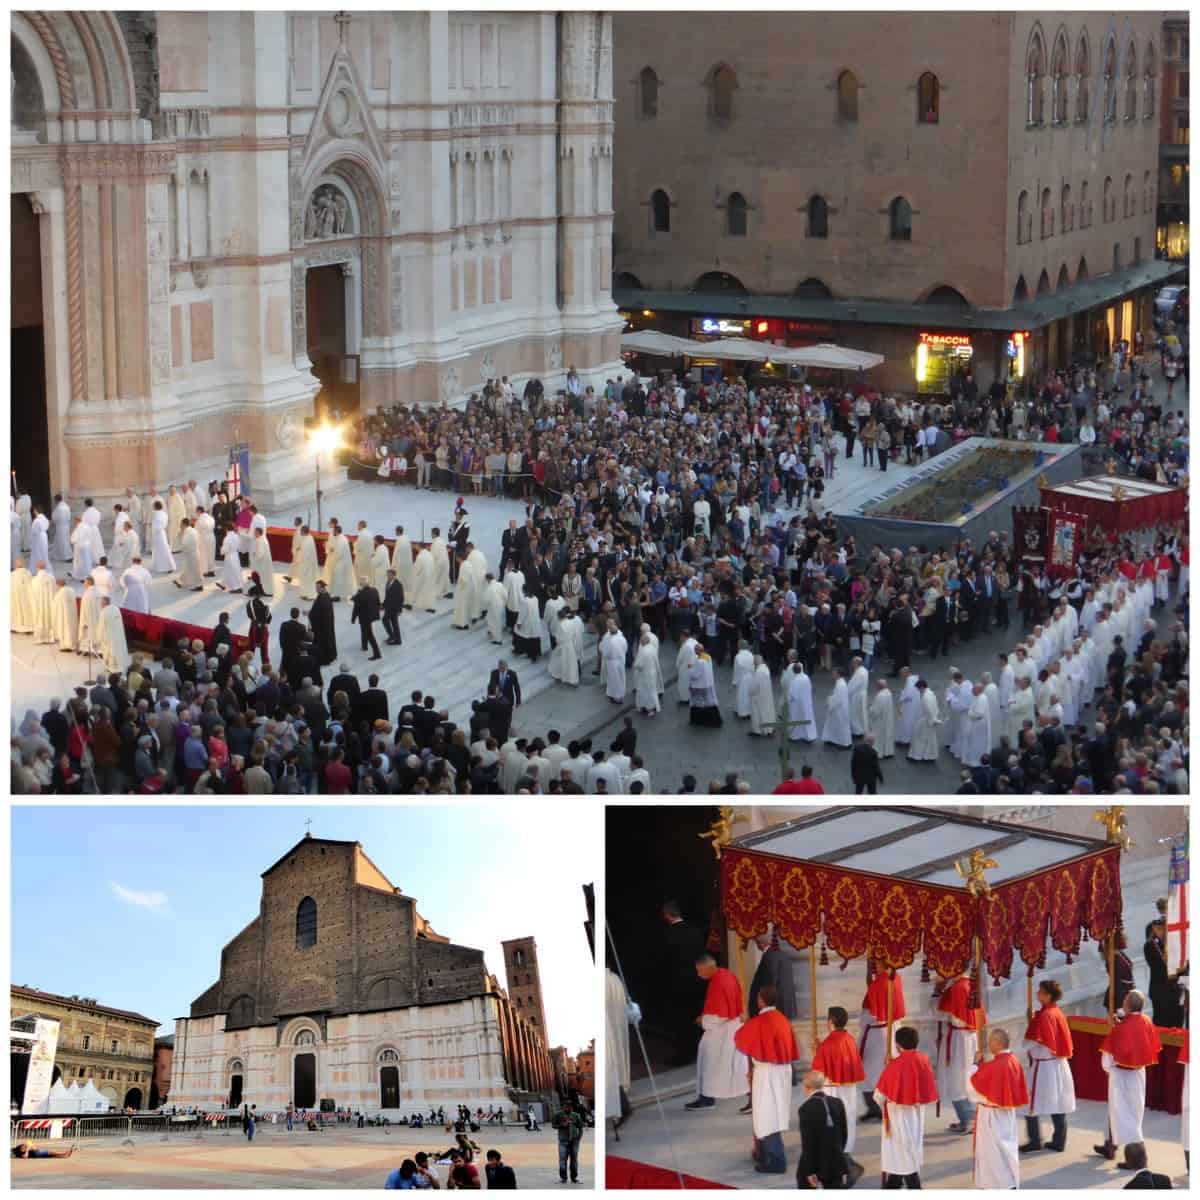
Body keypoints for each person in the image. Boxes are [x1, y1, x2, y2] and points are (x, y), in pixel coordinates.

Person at [734, 983, 800, 1174]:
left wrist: (746, 1023)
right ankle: (765, 1153)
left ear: (761, 1000)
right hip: (782, 1072)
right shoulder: (782, 1019)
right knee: (773, 1113)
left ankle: (776, 1161)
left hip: (767, 1073)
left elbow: (740, 1038)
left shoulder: (760, 1022)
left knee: (768, 1114)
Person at [1096, 990, 1162, 1167]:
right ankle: (1131, 1157)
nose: (1122, 1001)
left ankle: (1137, 1160)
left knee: (1124, 1117)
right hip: (1139, 1074)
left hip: (1121, 1077)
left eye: (1124, 999)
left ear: (1128, 1005)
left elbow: (1108, 1059)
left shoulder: (1122, 1028)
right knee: (1134, 1114)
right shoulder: (1147, 1021)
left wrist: (1115, 1028)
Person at [873, 1025, 937, 1189]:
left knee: (902, 1154)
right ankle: (894, 1183)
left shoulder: (895, 1066)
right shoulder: (923, 1059)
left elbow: (878, 1096)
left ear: (898, 1045)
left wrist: (889, 1068)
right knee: (906, 1152)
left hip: (897, 1117)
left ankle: (908, 1185)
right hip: (916, 1114)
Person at [966, 1026, 1029, 1189]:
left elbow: (972, 1087)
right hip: (1006, 1116)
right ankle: (1009, 1183)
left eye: (990, 1041)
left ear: (997, 1042)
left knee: (993, 1157)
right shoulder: (1013, 1060)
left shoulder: (995, 1066)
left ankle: (999, 1186)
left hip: (991, 1118)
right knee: (1006, 1152)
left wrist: (974, 1064)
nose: (988, 1044)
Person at [685, 952, 748, 1110]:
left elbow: (717, 1016)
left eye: (700, 971)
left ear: (709, 967)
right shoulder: (727, 975)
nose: (699, 975)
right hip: (731, 1028)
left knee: (709, 1064)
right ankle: (747, 1094)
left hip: (721, 1033)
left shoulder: (718, 983)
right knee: (733, 1066)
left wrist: (702, 1020)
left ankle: (706, 1099)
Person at [1020, 977, 1075, 1153]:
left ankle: (1035, 1140)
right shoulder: (1056, 1011)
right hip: (1059, 1064)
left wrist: (1032, 1023)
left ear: (1047, 995)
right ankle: (1059, 1140)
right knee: (1057, 1102)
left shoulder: (1044, 1016)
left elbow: (1029, 1044)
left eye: (1040, 991)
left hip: (1044, 1067)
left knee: (1030, 1101)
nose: (1036, 993)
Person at [812, 1006, 866, 1164]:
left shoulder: (828, 1044)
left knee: (833, 1120)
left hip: (832, 1089)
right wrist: (820, 1047)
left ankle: (836, 1155)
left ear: (830, 1022)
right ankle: (847, 1151)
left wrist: (818, 1050)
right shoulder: (849, 1039)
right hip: (848, 1088)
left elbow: (818, 1070)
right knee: (848, 1116)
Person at [936, 969, 984, 1133]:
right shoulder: (971, 984)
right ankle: (967, 1118)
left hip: (959, 1039)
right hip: (968, 1037)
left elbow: (943, 1013)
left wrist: (938, 990)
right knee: (965, 1077)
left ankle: (968, 1119)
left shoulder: (957, 988)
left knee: (957, 1079)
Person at [860, 964, 904, 1121]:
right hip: (889, 1030)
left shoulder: (880, 983)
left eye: (876, 964)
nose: (874, 967)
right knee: (876, 1072)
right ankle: (875, 1108)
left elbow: (870, 1014)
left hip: (877, 1034)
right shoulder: (895, 977)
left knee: (871, 1073)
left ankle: (880, 1107)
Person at [796, 1068, 850, 1189]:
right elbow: (844, 1133)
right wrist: (839, 1154)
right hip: (836, 1159)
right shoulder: (837, 1102)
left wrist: (809, 1171)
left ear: (806, 1087)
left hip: (816, 1161)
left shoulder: (805, 1108)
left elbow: (807, 1142)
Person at [1144, 917, 1185, 1028]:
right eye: (1161, 929)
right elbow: (1164, 966)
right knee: (1163, 1024)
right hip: (1162, 993)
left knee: (1177, 1024)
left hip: (1174, 992)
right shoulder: (1151, 946)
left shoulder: (1165, 945)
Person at [351, 579, 383, 660]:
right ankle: (364, 646)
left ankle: (377, 653)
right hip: (372, 616)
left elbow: (356, 607)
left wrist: (353, 618)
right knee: (365, 631)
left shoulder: (360, 594)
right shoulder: (374, 590)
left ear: (362, 586)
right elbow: (378, 602)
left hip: (364, 617)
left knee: (369, 634)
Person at [553, 1100, 583, 1184]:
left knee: (574, 1160)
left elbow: (580, 1127)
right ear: (563, 1107)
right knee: (562, 1159)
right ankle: (563, 1178)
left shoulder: (576, 1115)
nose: (568, 1108)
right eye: (566, 1106)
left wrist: (579, 1138)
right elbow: (553, 1125)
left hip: (574, 1141)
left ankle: (574, 1178)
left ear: (572, 1107)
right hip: (563, 1141)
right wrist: (562, 1125)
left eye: (569, 1106)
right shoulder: (558, 1115)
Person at [11, 1142, 76, 1159]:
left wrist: (27, 1151)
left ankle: (64, 1155)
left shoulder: (18, 1149)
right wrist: (26, 1154)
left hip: (36, 1153)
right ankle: (64, 1155)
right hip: (36, 1154)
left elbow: (27, 1144)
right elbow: (25, 1156)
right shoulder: (17, 1154)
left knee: (50, 1154)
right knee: (50, 1155)